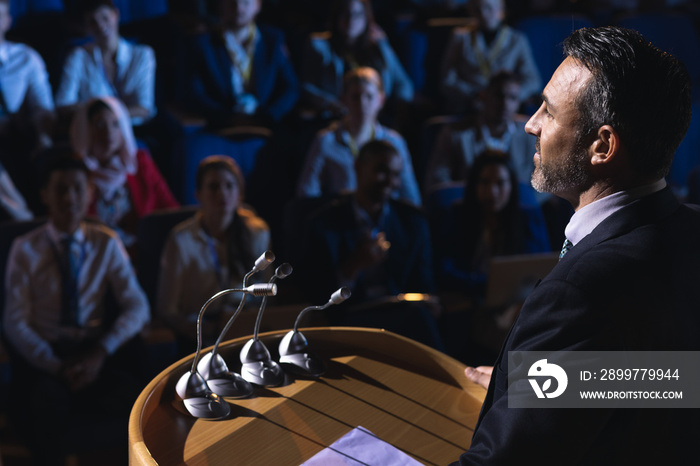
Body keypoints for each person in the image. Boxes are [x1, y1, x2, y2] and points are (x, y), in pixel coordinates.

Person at [452, 26, 699, 465]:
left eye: (548, 111)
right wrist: (558, 382)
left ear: (602, 146)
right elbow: (682, 378)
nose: (530, 124)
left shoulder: (579, 292)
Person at [2, 153, 150, 464]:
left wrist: (101, 351)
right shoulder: (25, 249)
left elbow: (137, 306)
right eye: (60, 190)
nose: (69, 198)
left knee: (139, 398)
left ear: (90, 194)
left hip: (94, 350)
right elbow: (15, 321)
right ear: (45, 195)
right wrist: (55, 365)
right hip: (47, 354)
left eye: (77, 189)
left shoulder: (106, 243)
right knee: (42, 408)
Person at [301, 139, 441, 348]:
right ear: (358, 167)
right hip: (349, 317)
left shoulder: (412, 222)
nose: (390, 182)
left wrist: (429, 301)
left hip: (400, 311)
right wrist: (353, 266)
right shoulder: (324, 224)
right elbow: (317, 296)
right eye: (382, 171)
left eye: (395, 175)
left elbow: (423, 282)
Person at [157, 155, 270, 352]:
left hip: (248, 329)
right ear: (198, 194)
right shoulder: (181, 240)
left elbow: (268, 292)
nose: (222, 193)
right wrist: (204, 331)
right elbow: (167, 310)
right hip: (201, 335)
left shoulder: (257, 232)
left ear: (239, 194)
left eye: (229, 186)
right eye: (213, 187)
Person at [296, 67, 421, 206]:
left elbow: (410, 198)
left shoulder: (394, 142)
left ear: (381, 100)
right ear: (344, 100)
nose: (362, 104)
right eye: (355, 97)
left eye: (369, 96)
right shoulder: (326, 141)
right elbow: (307, 193)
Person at [70, 97, 178, 248]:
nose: (108, 132)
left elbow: (170, 209)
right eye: (100, 124)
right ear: (86, 130)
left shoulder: (140, 163)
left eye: (115, 124)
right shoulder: (76, 172)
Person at [183, 0, 299, 128]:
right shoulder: (202, 45)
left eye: (246, 2)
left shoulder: (273, 40)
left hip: (266, 125)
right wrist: (226, 118)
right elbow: (193, 94)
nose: (239, 8)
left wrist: (269, 115)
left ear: (258, 5)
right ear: (221, 5)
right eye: (231, 2)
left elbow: (291, 87)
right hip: (220, 126)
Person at [299, 0, 413, 120]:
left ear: (367, 18)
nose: (351, 20)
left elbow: (403, 83)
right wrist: (330, 104)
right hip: (336, 116)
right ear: (336, 16)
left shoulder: (377, 45)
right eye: (345, 13)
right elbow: (307, 86)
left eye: (358, 14)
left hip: (377, 116)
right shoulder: (319, 45)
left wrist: (400, 107)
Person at [425, 71, 537, 193]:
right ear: (484, 96)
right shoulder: (456, 133)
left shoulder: (530, 135)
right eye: (499, 96)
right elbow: (439, 179)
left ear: (518, 103)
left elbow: (544, 181)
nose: (505, 103)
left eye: (513, 98)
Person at [55, 0, 156, 126]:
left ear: (116, 15)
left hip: (135, 131)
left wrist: (105, 114)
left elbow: (144, 108)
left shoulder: (142, 55)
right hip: (94, 133)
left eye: (105, 18)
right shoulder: (78, 57)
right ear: (86, 27)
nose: (101, 26)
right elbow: (64, 105)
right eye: (93, 22)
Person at [439, 0, 540, 114]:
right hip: (470, 104)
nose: (483, 13)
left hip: (504, 105)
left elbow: (533, 80)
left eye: (489, 8)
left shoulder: (517, 40)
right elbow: (448, 79)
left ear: (501, 10)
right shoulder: (460, 37)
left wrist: (512, 97)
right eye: (477, 9)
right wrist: (473, 95)